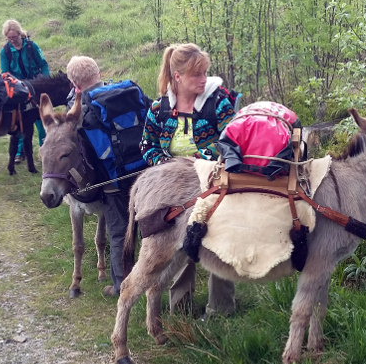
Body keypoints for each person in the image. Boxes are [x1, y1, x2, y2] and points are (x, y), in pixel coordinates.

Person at [140, 43, 240, 317]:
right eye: (196, 74)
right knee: (177, 242)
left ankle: (220, 310)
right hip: (174, 189)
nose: (203, 79)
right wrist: (166, 168)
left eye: (205, 73)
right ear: (177, 76)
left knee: (219, 242)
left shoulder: (219, 102)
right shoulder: (159, 108)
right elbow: (146, 145)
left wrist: (197, 162)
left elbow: (230, 141)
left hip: (215, 184)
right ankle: (180, 310)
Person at [65, 55, 129, 297]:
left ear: (75, 84)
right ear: (99, 74)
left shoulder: (77, 109)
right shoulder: (120, 92)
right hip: (137, 170)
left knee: (117, 233)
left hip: (109, 181)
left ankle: (120, 286)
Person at [0, 19, 50, 163]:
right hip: (18, 90)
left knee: (41, 120)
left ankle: (44, 149)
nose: (12, 40)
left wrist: (44, 82)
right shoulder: (6, 51)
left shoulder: (31, 46)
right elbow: (5, 73)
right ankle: (20, 153)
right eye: (9, 38)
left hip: (37, 86)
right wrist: (14, 87)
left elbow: (43, 64)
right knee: (20, 121)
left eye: (14, 37)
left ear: (20, 34)